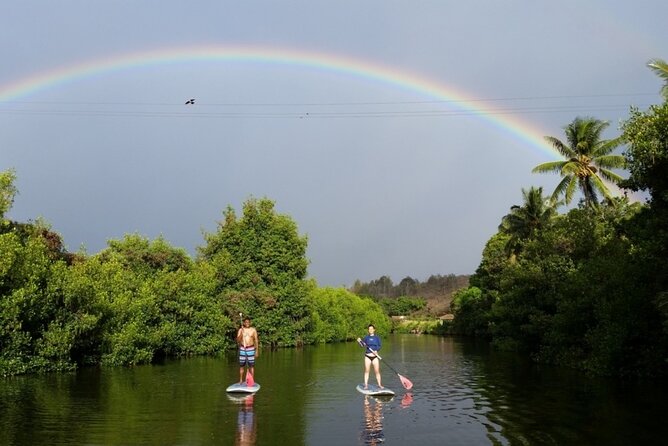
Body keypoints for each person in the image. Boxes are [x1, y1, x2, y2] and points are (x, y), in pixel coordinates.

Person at [357, 324, 382, 389]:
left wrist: (376, 350)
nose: (370, 330)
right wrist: (359, 341)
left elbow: (379, 346)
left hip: (375, 356)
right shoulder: (366, 338)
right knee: (367, 371)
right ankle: (366, 385)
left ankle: (379, 385)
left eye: (371, 329)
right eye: (369, 329)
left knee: (377, 371)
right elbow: (362, 345)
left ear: (374, 330)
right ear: (368, 330)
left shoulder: (377, 338)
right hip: (367, 356)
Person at [237, 317, 259, 384]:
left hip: (251, 349)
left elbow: (256, 340)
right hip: (242, 349)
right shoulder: (241, 330)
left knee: (251, 365)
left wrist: (257, 350)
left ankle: (252, 380)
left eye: (248, 322)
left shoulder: (253, 330)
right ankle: (241, 380)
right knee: (241, 365)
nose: (247, 323)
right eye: (246, 322)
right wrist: (241, 333)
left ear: (250, 323)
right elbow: (238, 340)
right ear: (244, 323)